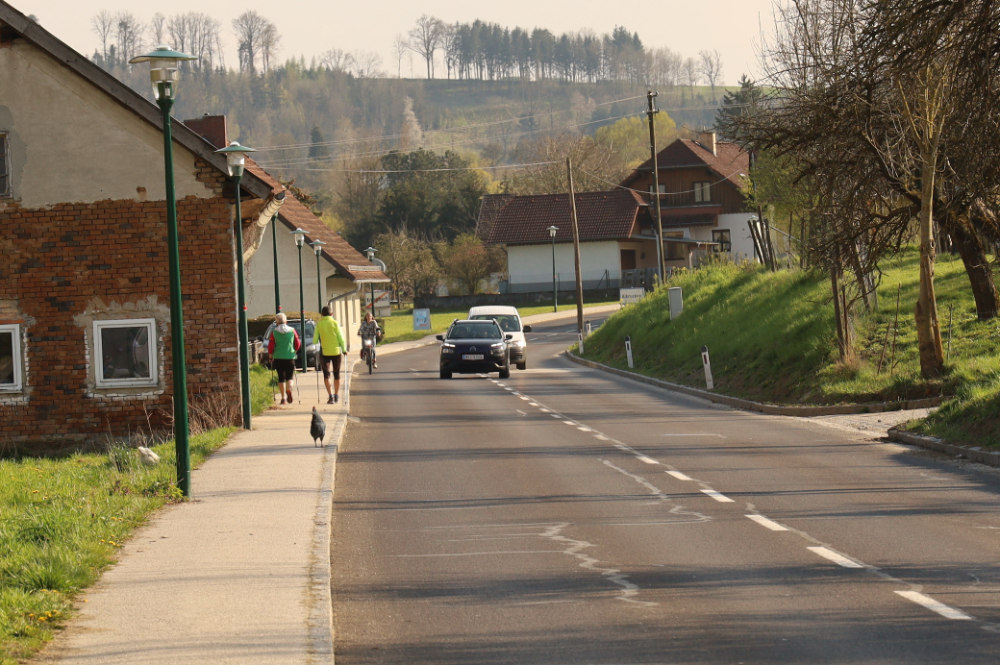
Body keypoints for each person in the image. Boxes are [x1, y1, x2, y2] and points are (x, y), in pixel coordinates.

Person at [313, 305, 347, 404]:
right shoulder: (335, 323)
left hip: (324, 352)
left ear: (322, 314)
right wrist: (344, 349)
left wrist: (317, 341)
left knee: (326, 375)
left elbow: (315, 340)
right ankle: (337, 396)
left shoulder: (319, 324)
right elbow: (341, 337)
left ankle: (330, 396)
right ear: (332, 314)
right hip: (336, 352)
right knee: (337, 374)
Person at [268, 313, 300, 405]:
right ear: (286, 321)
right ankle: (289, 388)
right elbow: (297, 343)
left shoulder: (274, 332)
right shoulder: (292, 330)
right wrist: (295, 351)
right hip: (289, 356)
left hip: (278, 357)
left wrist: (270, 357)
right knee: (289, 377)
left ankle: (283, 398)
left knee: (281, 377)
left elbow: (271, 346)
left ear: (276, 322)